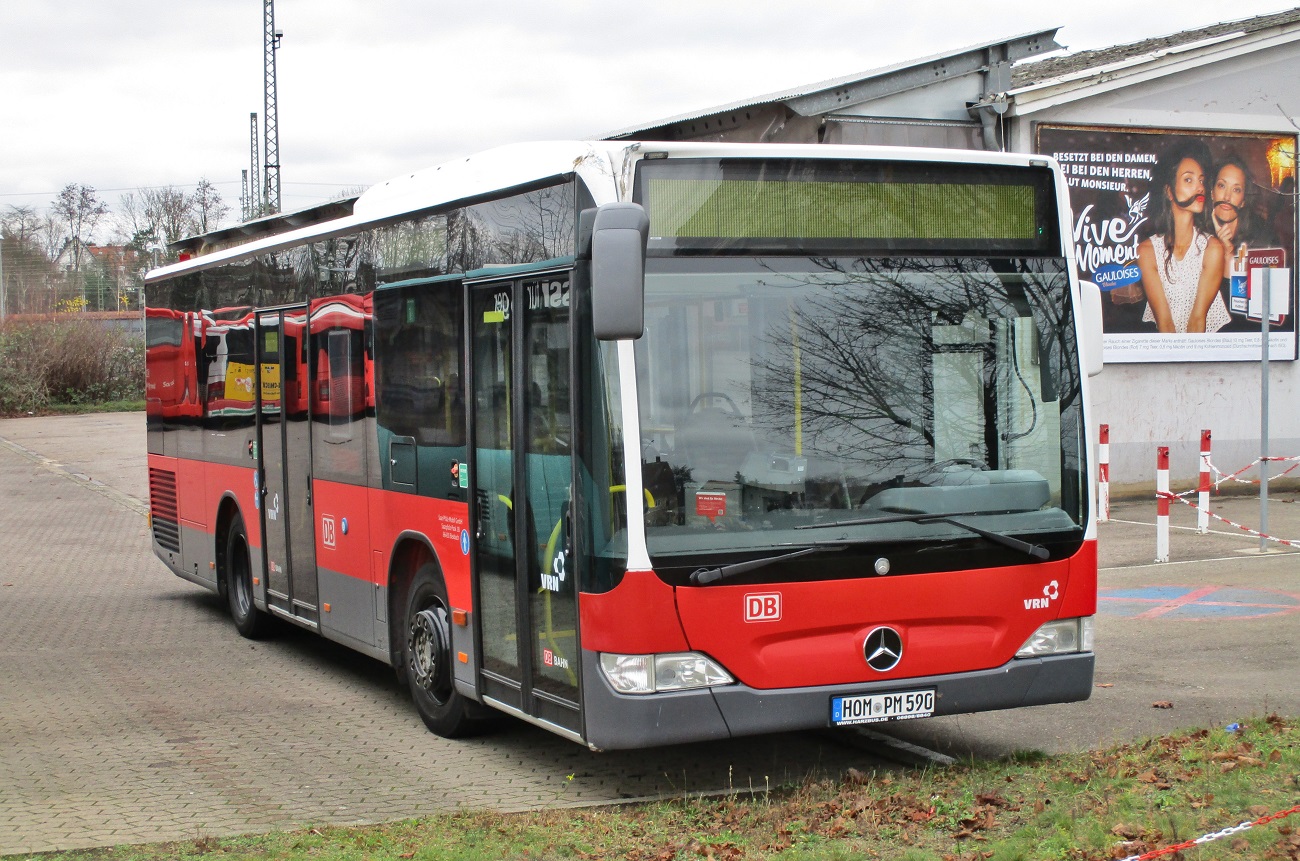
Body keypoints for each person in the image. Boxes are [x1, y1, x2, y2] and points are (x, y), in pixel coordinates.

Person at [1137, 141, 1230, 333]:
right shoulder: (1147, 251)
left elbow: (1197, 321)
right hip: (1165, 347)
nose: (1200, 188)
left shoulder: (1212, 249)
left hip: (1203, 347)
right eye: (1189, 180)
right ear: (1169, 192)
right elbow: (1164, 323)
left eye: (1201, 181)